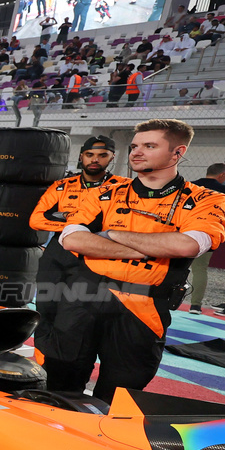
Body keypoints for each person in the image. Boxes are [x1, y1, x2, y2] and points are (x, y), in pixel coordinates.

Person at [49, 120, 225, 403]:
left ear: (177, 153)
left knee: (120, 398)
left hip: (143, 309)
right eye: (134, 146)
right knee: (58, 386)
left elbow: (189, 244)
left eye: (149, 146)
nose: (136, 153)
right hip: (82, 299)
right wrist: (150, 248)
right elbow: (71, 239)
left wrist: (112, 234)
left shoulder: (207, 199)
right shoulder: (104, 193)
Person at [29, 135, 125, 361]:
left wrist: (72, 223)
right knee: (45, 309)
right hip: (57, 254)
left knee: (75, 316)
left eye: (103, 155)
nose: (95, 160)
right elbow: (36, 220)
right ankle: (42, 361)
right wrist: (77, 227)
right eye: (90, 155)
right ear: (81, 156)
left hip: (94, 257)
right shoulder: (62, 186)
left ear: (112, 158)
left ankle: (70, 367)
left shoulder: (122, 187)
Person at [187, 162, 225, 314]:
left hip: (185, 230)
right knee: (200, 269)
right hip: (208, 233)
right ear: (221, 175)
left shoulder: (190, 186)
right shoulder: (223, 190)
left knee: (172, 266)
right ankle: (195, 305)